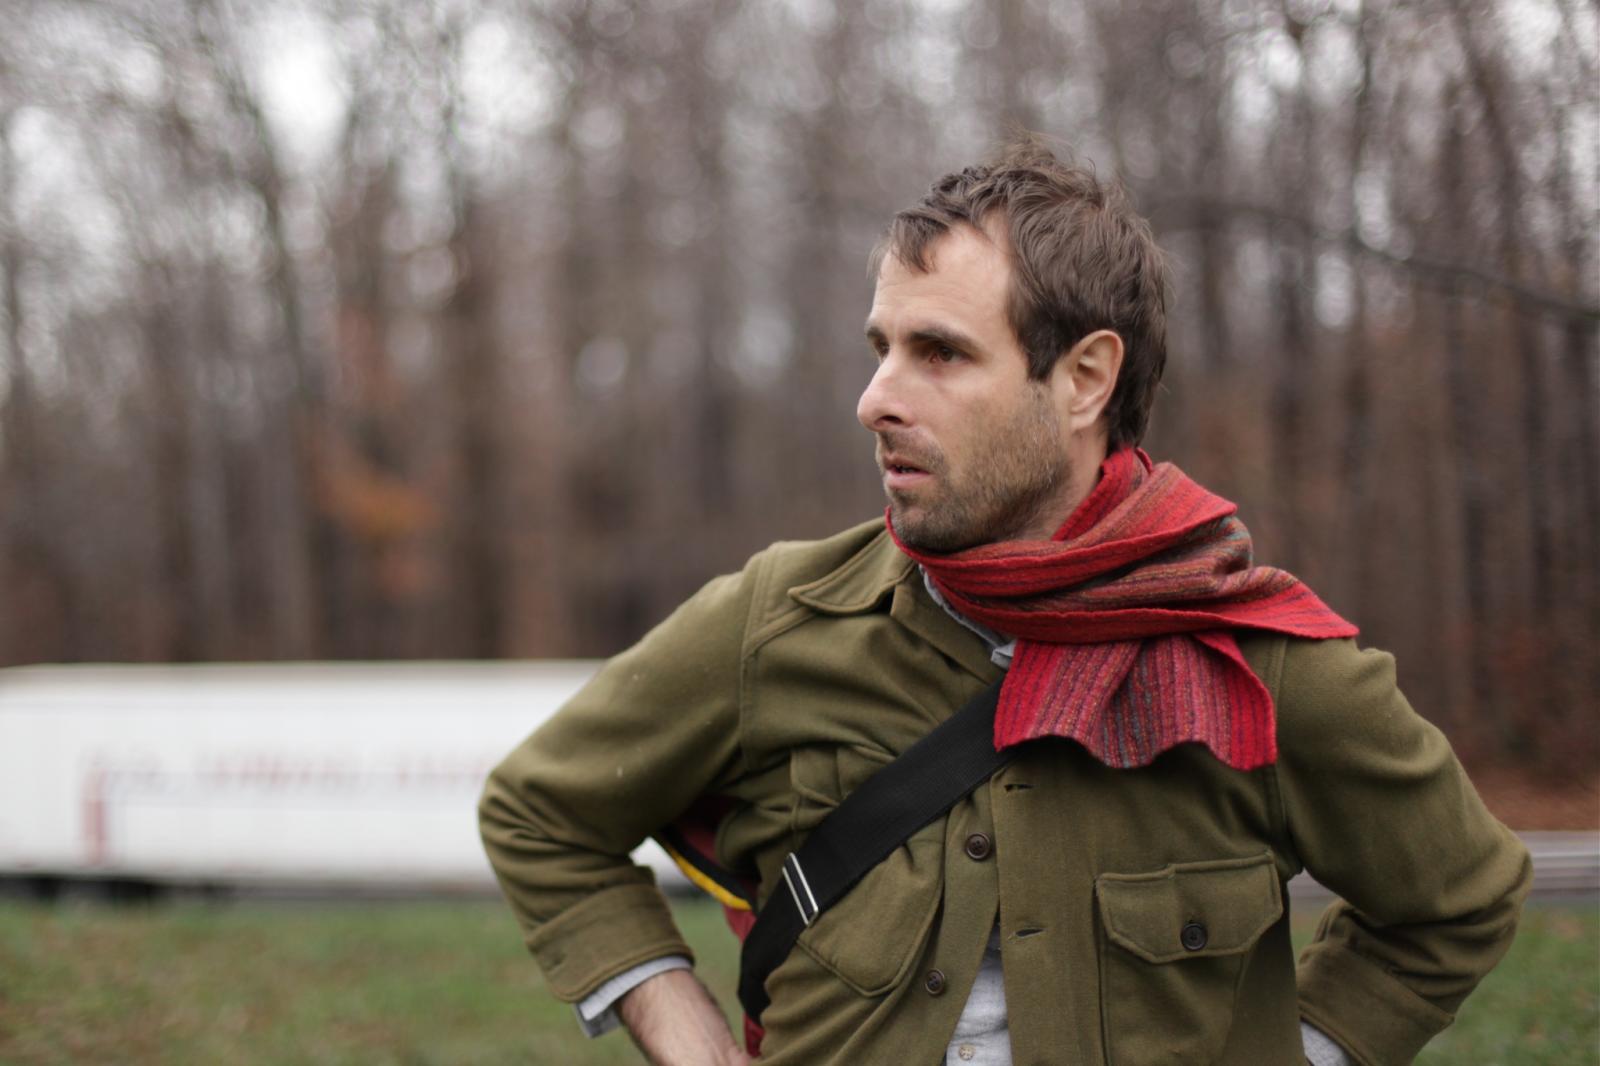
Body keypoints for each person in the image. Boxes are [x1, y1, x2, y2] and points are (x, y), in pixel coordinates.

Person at [479, 138, 1531, 1066]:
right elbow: (539, 812)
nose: (875, 399)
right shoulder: (778, 620)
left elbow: (1460, 899)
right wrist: (692, 1042)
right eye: (882, 348)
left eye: (939, 353)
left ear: (1084, 379)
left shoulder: (1257, 660)